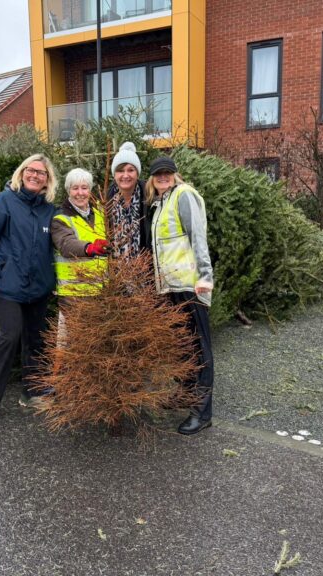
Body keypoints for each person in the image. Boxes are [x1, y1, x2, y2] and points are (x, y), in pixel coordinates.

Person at [0, 154, 58, 426]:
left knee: (36, 339)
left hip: (39, 287)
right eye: (31, 170)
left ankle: (32, 392)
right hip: (7, 286)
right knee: (9, 336)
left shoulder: (49, 210)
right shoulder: (3, 202)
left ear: (48, 180)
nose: (35, 176)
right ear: (22, 173)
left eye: (41, 173)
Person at [146, 156, 214, 435]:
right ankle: (184, 395)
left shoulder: (183, 195)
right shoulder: (160, 203)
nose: (163, 177)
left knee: (200, 349)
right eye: (158, 174)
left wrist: (205, 277)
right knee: (183, 346)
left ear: (175, 174)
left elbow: (198, 237)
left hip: (190, 286)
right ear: (152, 178)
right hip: (171, 288)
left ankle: (202, 411)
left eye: (167, 173)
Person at [51, 168, 109, 344]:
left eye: (84, 188)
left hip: (101, 292)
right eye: (75, 188)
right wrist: (89, 248)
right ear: (69, 191)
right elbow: (67, 244)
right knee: (76, 345)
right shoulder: (61, 218)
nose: (80, 193)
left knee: (98, 342)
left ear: (90, 191)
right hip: (74, 294)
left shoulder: (100, 213)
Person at [107, 142, 151, 259]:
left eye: (130, 170)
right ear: (114, 174)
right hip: (116, 271)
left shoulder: (150, 196)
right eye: (121, 171)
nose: (125, 175)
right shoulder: (106, 199)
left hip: (144, 269)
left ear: (137, 173)